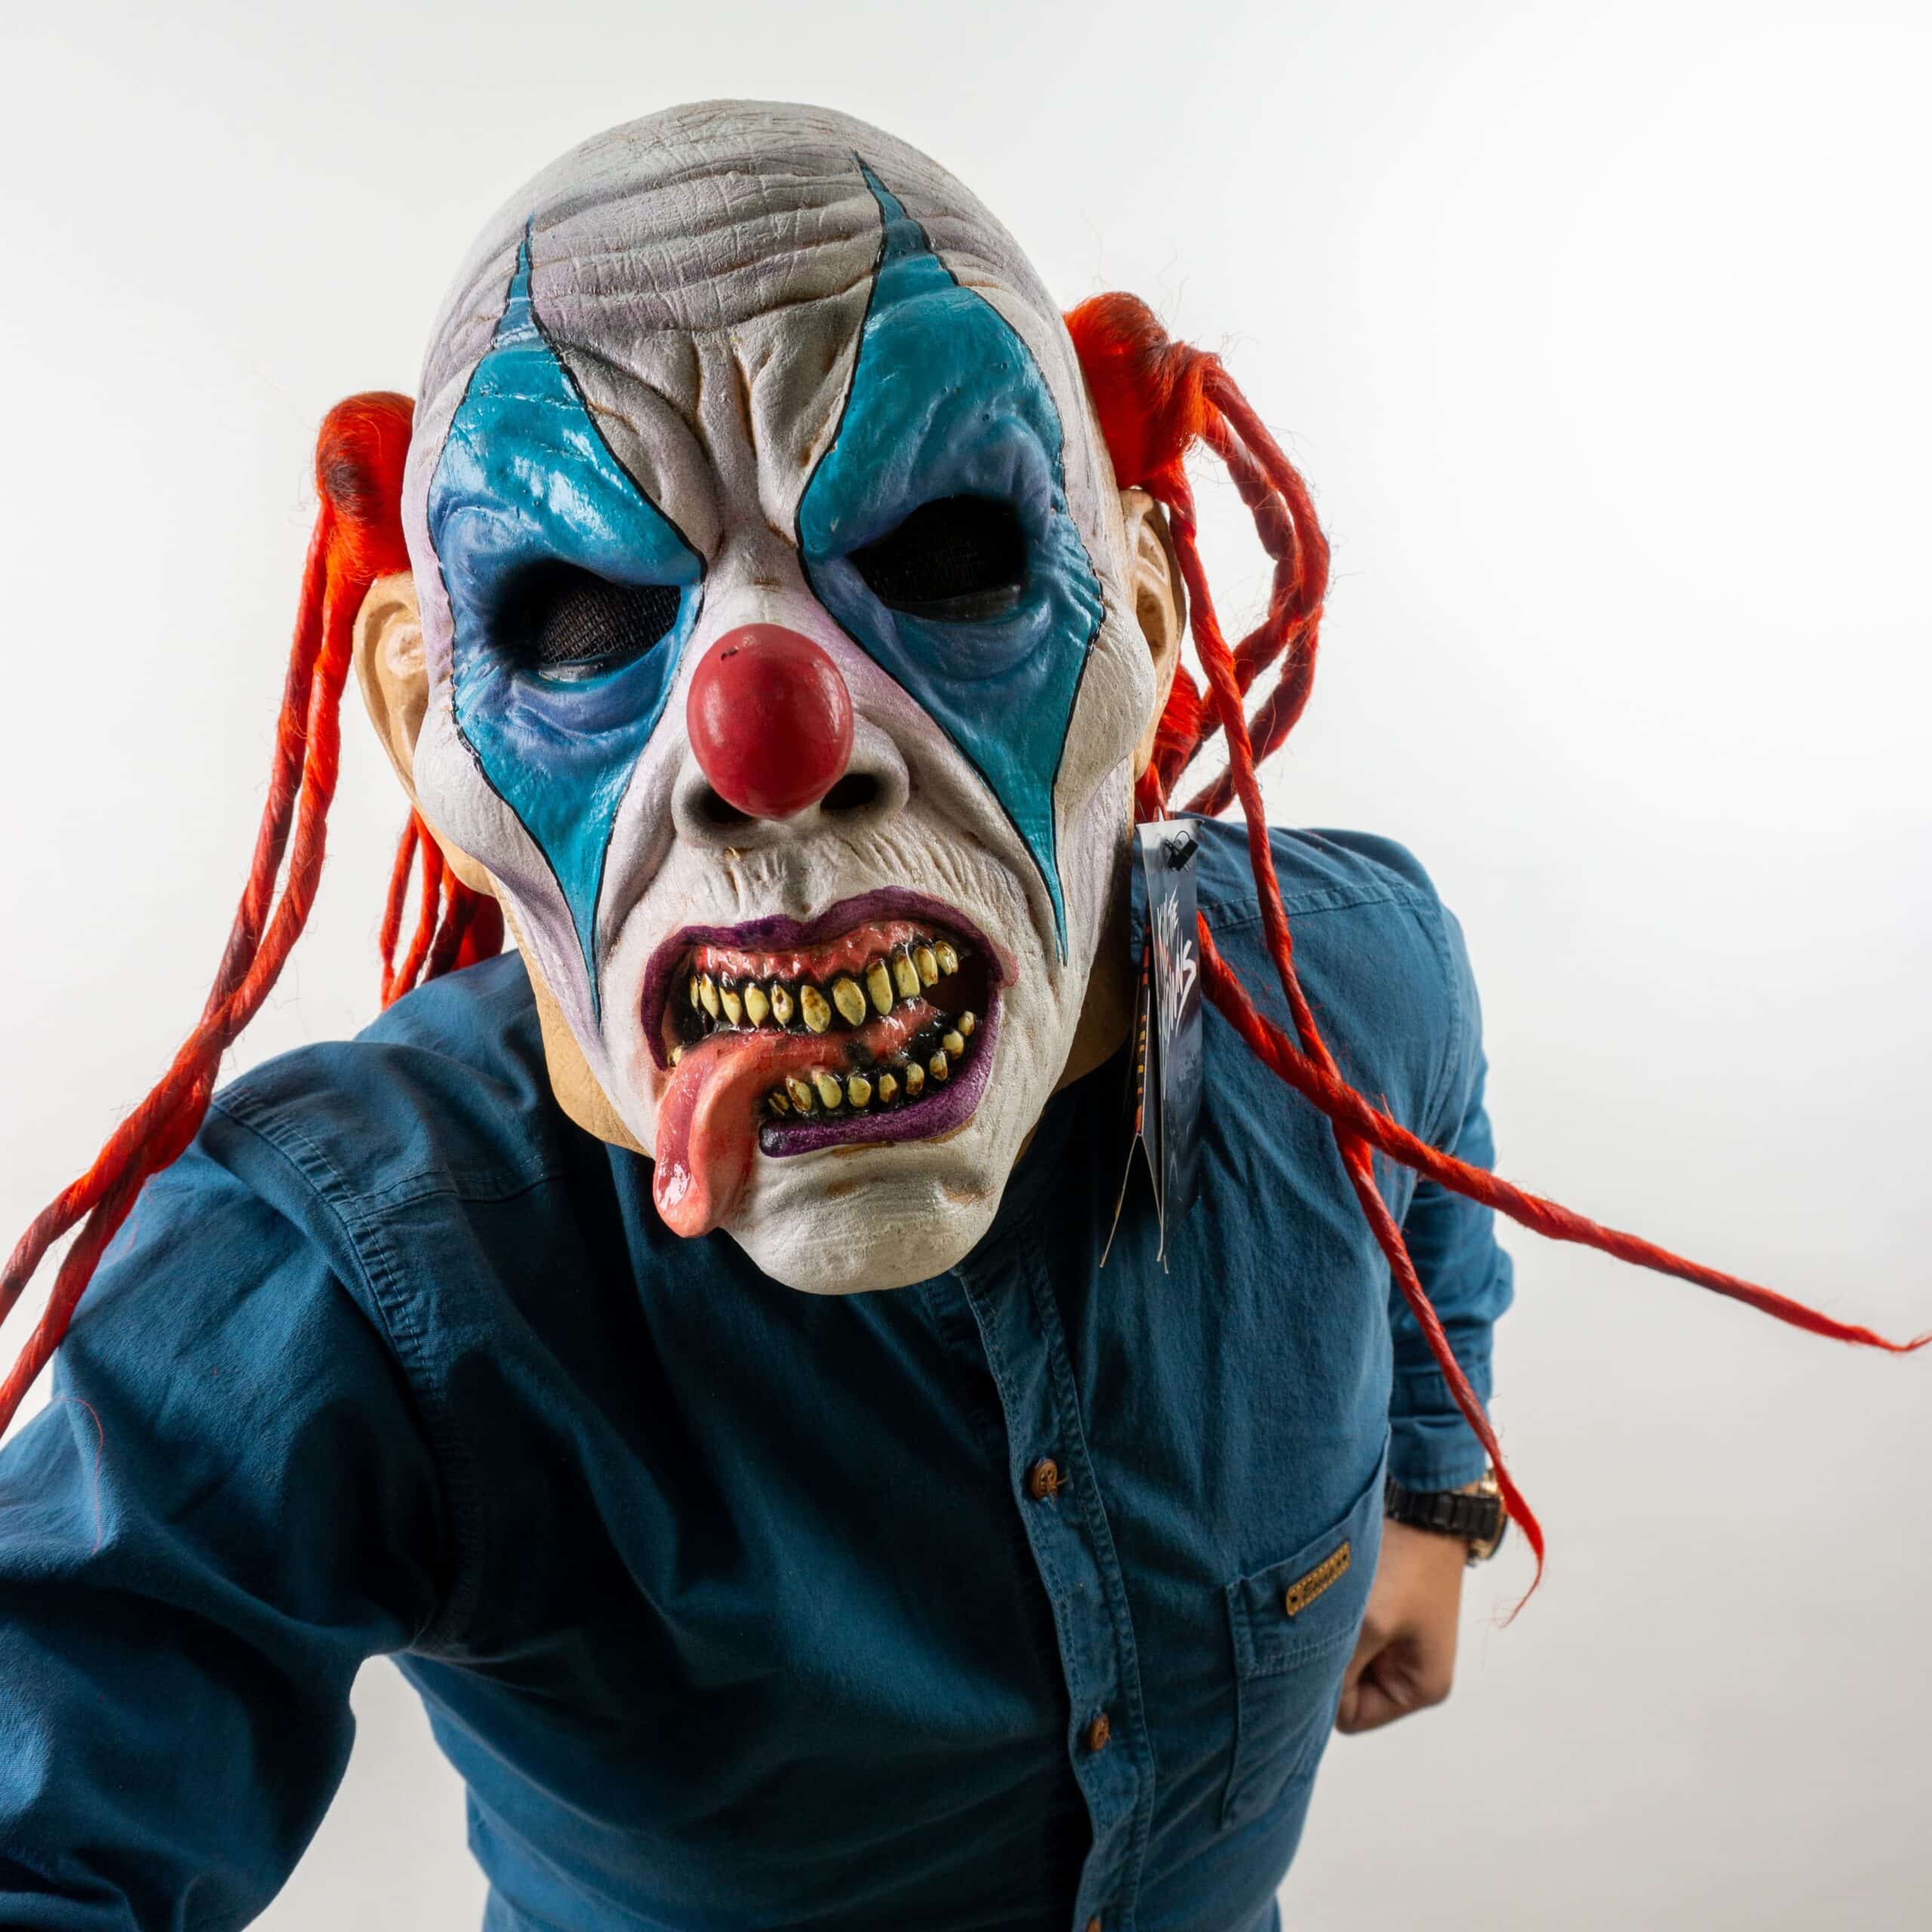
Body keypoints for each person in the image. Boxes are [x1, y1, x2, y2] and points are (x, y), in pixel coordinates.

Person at [0, 100, 1915, 1932]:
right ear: (427, 723)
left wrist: (1435, 1481)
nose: (768, 744)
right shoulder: (334, 1268)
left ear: (1142, 617)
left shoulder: (1350, 970)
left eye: (941, 558)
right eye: (580, 617)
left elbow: (1431, 1189)